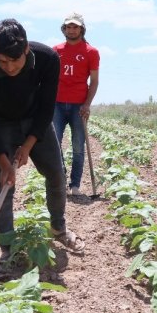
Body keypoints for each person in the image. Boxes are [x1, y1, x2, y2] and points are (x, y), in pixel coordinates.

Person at [0, 19, 84, 261]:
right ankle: (7, 245)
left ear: (26, 50)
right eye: (3, 61)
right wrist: (4, 162)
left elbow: (46, 108)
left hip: (35, 119)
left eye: (15, 61)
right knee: (3, 183)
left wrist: (29, 144)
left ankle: (58, 228)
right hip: (2, 124)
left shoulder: (47, 59)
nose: (10, 68)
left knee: (56, 172)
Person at [52, 12, 100, 196]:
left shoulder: (91, 52)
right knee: (55, 145)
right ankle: (60, 181)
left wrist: (87, 104)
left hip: (78, 106)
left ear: (81, 29)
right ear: (63, 29)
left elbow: (94, 81)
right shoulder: (55, 50)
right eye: (68, 27)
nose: (71, 30)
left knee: (78, 146)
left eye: (75, 27)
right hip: (56, 104)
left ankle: (75, 186)